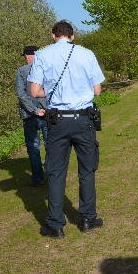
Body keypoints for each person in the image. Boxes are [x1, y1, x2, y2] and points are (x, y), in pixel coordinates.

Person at [28, 20, 105, 239]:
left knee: (56, 172)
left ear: (53, 36)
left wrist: (51, 92)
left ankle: (55, 224)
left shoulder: (42, 55)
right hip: (83, 119)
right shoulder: (87, 54)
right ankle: (89, 219)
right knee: (87, 171)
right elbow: (97, 90)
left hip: (57, 122)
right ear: (73, 36)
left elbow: (34, 91)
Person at [15, 46, 48, 186]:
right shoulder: (47, 69)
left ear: (28, 56)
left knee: (34, 148)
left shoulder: (21, 71)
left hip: (30, 116)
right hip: (48, 113)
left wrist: (34, 110)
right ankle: (52, 174)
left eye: (25, 56)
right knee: (51, 145)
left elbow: (21, 95)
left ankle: (38, 179)